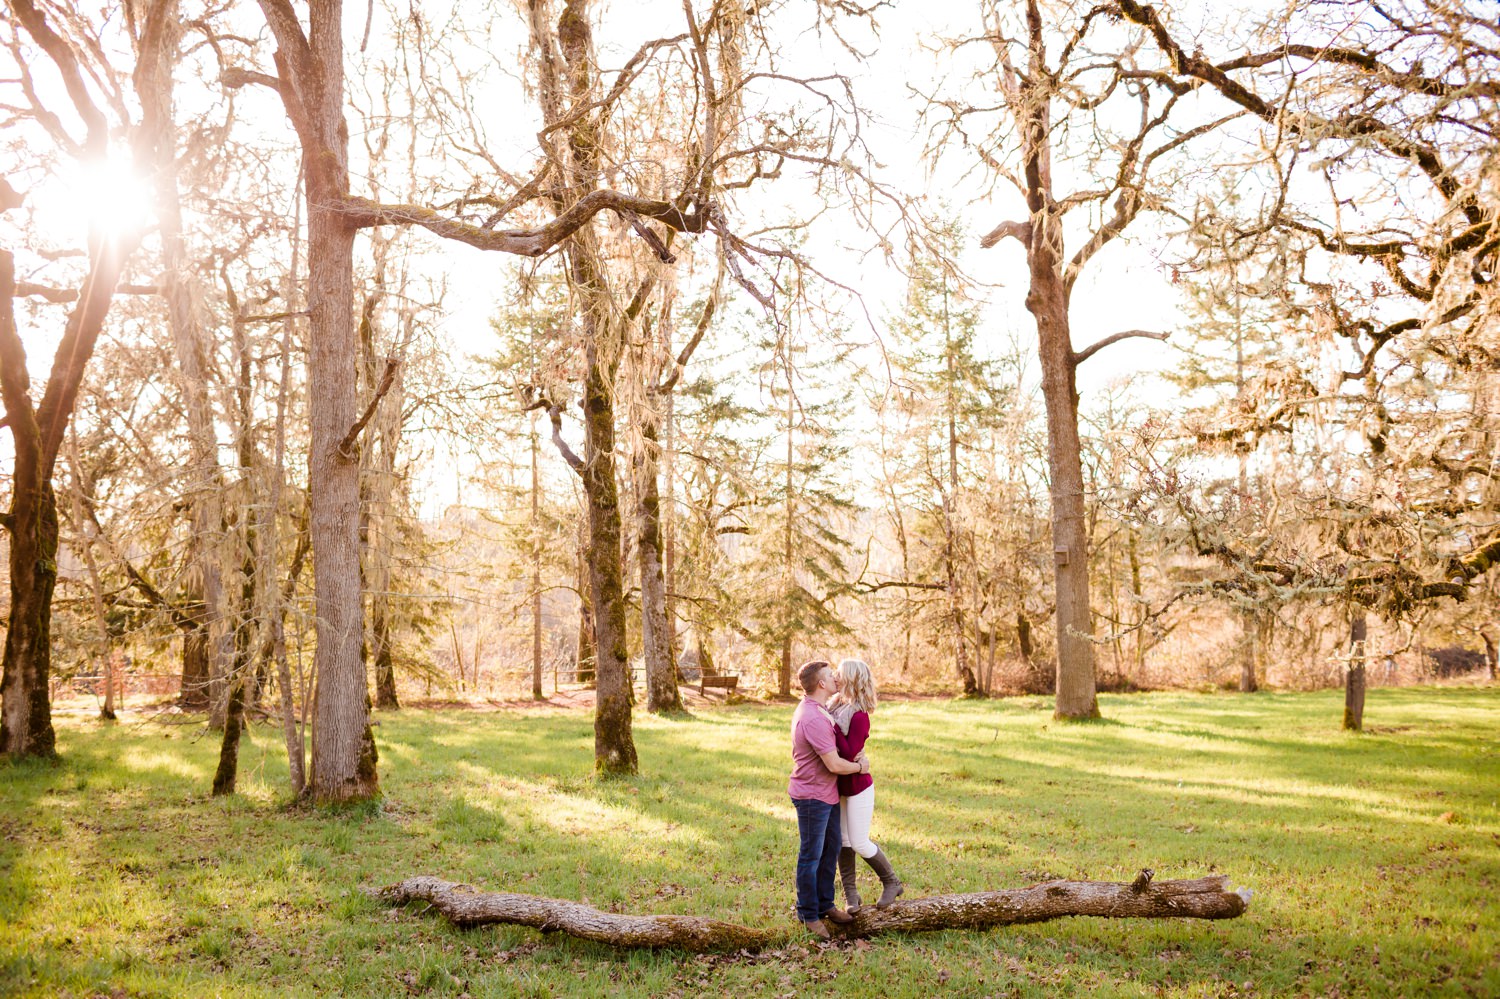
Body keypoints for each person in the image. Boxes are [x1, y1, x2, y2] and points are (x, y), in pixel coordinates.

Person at [789, 659, 870, 940]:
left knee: (830, 849)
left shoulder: (822, 709)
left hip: (828, 794)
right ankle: (808, 914)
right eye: (829, 675)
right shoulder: (812, 716)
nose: (836, 676)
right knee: (811, 856)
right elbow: (834, 764)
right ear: (821, 684)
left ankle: (826, 904)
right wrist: (861, 767)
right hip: (812, 796)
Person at [829, 658, 904, 912]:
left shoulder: (859, 715)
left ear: (850, 679)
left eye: (839, 674)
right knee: (843, 841)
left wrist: (831, 726)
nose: (835, 678)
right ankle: (851, 897)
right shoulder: (835, 706)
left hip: (858, 786)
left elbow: (849, 752)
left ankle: (891, 882)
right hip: (839, 786)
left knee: (859, 842)